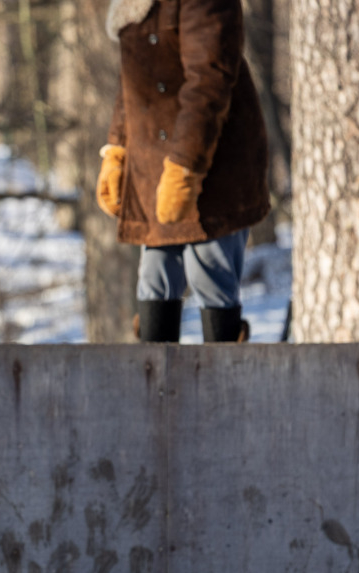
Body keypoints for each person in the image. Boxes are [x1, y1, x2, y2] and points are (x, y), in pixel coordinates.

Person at [96, 0, 270, 343]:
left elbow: (209, 80)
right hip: (152, 166)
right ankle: (151, 376)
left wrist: (185, 166)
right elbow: (132, 83)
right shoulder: (130, 5)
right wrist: (117, 150)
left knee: (211, 277)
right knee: (154, 279)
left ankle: (224, 374)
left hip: (214, 166)